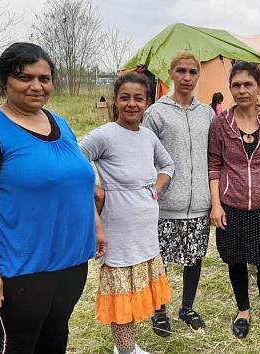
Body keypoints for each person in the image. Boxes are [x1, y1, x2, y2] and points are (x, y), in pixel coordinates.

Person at [0, 42, 105, 353]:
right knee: (18, 344)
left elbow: (77, 182)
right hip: (22, 268)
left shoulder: (60, 123)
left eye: (44, 78)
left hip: (71, 261)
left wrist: (96, 226)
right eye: (25, 77)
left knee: (56, 337)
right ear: (4, 80)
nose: (36, 86)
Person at [80, 72, 174, 354]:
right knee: (121, 289)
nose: (132, 104)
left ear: (147, 102)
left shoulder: (148, 136)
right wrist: (95, 188)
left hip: (144, 227)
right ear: (115, 102)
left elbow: (168, 166)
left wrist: (155, 189)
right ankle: (125, 349)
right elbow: (73, 161)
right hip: (118, 227)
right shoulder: (104, 135)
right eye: (125, 98)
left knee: (135, 288)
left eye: (138, 98)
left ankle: (128, 345)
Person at [208, 61, 260, 338]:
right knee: (236, 260)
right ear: (230, 88)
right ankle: (243, 310)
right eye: (236, 85)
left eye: (248, 84)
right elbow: (214, 164)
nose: (242, 90)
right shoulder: (221, 123)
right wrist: (216, 204)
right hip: (231, 204)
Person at [141, 51, 215, 334]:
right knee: (161, 260)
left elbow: (213, 157)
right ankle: (159, 310)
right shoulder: (156, 113)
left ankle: (187, 306)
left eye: (192, 72)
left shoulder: (206, 113)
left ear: (198, 76)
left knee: (194, 257)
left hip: (199, 203)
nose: (187, 77)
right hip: (165, 204)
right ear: (170, 74)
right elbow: (145, 156)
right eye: (181, 71)